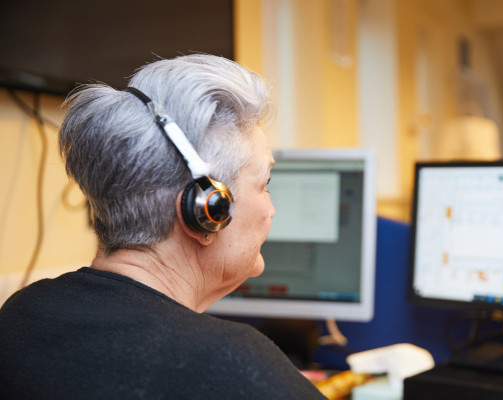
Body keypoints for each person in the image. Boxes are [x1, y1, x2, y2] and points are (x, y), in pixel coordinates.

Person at [0, 54, 327, 399]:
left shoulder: (21, 314)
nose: (271, 209)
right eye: (265, 184)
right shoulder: (231, 364)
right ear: (207, 209)